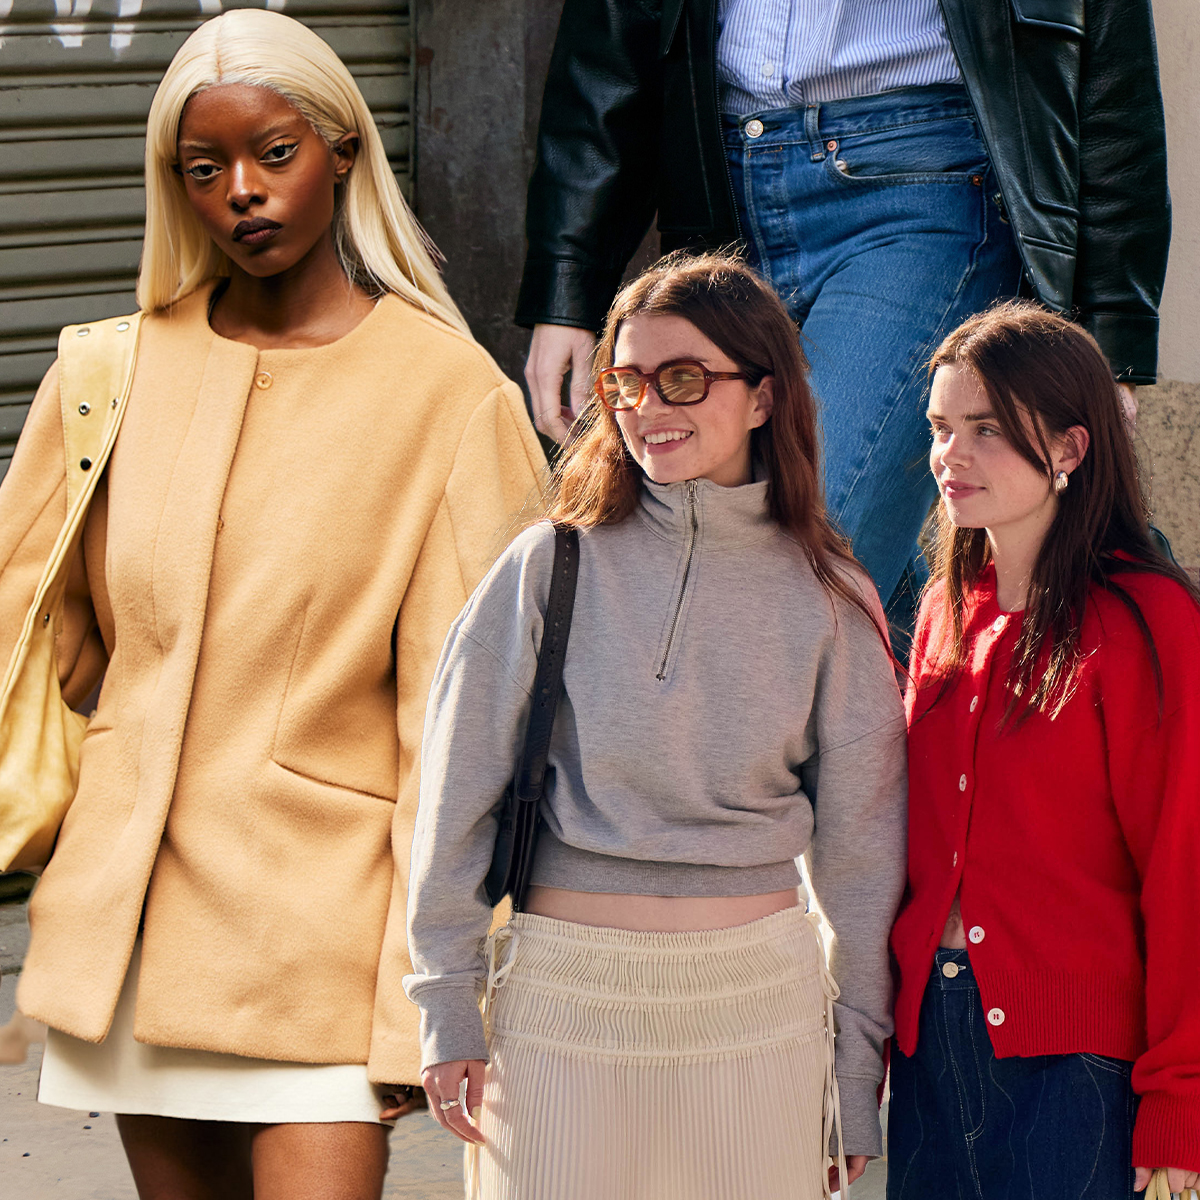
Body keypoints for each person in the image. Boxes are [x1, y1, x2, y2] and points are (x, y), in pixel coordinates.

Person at [0, 10, 544, 1197]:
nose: (242, 192)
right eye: (206, 170)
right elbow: (36, 631)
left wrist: (437, 998)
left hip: (328, 942)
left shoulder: (449, 399)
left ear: (344, 151)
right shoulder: (108, 373)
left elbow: (477, 729)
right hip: (139, 935)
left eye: (274, 154)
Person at [405, 252, 907, 1200]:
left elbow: (864, 858)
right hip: (559, 1002)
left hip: (761, 1008)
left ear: (763, 398)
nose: (646, 407)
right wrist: (446, 1006)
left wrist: (853, 1064)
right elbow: (455, 795)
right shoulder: (547, 565)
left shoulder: (832, 596)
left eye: (682, 378)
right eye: (625, 382)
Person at [516, 0, 1169, 640]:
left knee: (786, 558)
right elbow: (608, 38)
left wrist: (1112, 329)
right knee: (796, 567)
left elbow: (1113, 60)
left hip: (926, 185)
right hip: (719, 191)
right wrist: (570, 284)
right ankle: (942, 728)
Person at [888, 302, 1200, 1199]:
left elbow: (1182, 866)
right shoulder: (945, 612)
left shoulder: (1147, 619)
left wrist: (1180, 1097)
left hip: (1081, 1070)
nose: (952, 455)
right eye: (942, 428)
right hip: (931, 1050)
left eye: (986, 430)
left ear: (1068, 447)